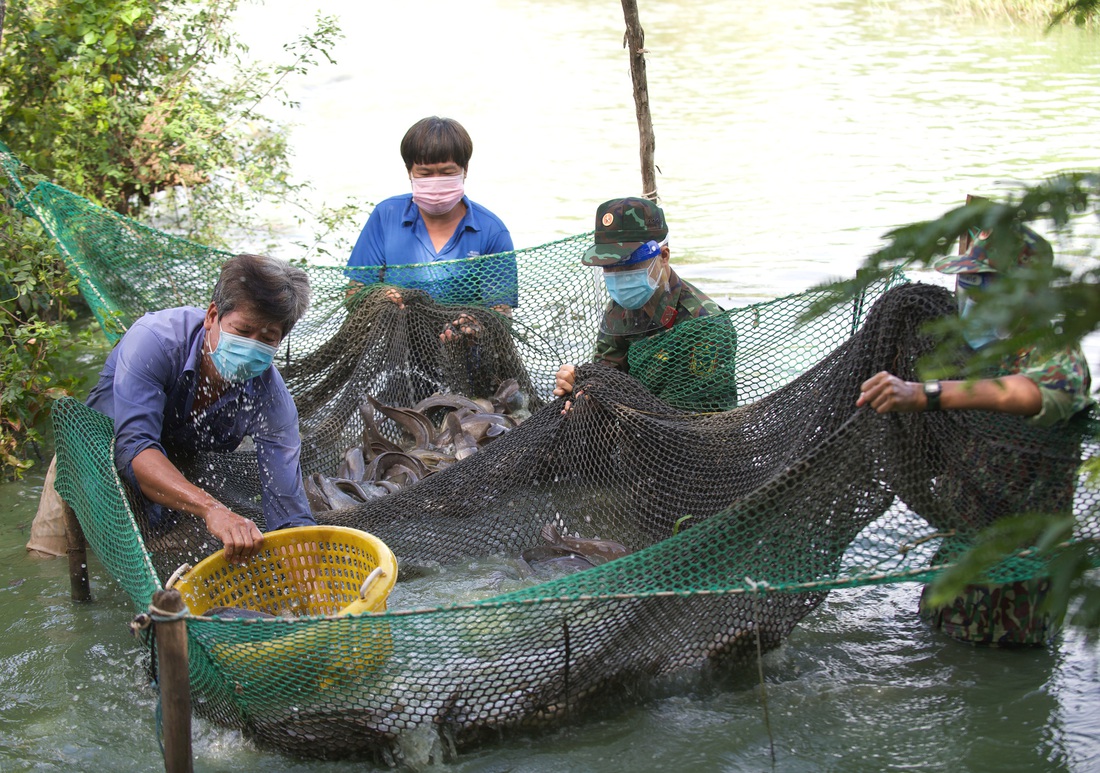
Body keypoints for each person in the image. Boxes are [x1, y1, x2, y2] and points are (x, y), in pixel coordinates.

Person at [856, 223, 1092, 645]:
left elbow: (1034, 391)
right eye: (966, 279)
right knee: (937, 643)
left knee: (999, 670)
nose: (970, 292)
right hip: (958, 546)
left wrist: (926, 393)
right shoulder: (970, 351)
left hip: (1019, 570)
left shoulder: (1053, 350)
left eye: (985, 281)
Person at [28, 254, 316, 563]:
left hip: (177, 478)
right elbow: (134, 448)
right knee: (49, 562)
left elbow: (287, 507)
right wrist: (213, 509)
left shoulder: (270, 397)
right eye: (243, 331)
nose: (250, 347)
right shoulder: (155, 341)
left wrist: (305, 562)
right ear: (212, 316)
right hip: (90, 457)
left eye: (267, 338)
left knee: (168, 569)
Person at [345, 116, 517, 342]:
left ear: (465, 170)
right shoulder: (386, 216)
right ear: (409, 172)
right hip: (398, 354)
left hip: (467, 362)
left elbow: (500, 312)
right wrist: (379, 298)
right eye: (425, 174)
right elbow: (354, 293)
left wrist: (474, 327)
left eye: (447, 173)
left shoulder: (491, 231)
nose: (436, 182)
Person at [554, 196, 736, 409]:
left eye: (629, 265)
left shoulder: (705, 325)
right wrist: (582, 388)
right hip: (632, 425)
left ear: (664, 256)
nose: (618, 276)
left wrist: (614, 409)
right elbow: (607, 371)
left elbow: (695, 416)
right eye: (609, 267)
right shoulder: (619, 308)